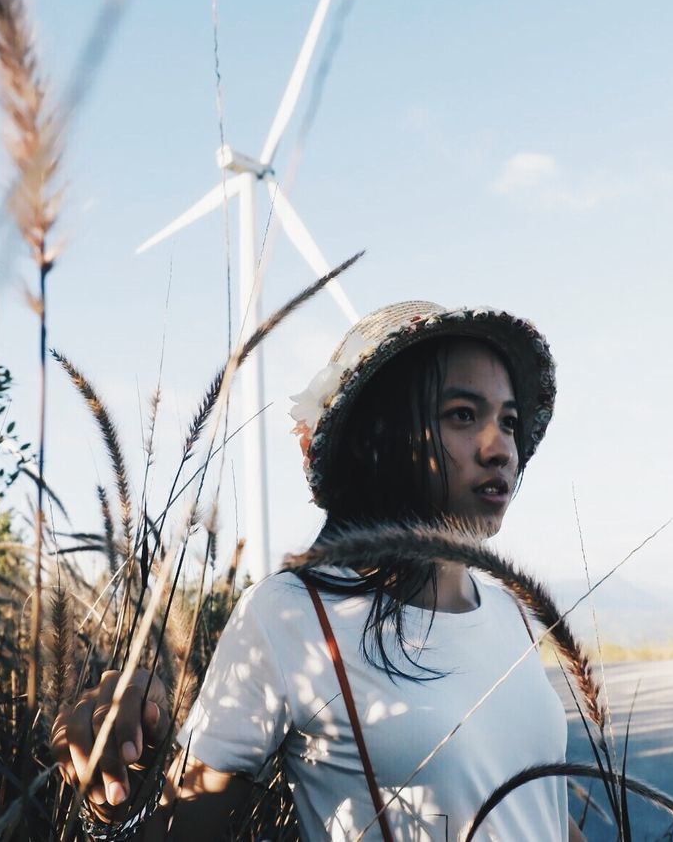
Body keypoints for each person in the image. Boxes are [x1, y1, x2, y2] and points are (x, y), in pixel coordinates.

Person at [53, 301, 585, 841]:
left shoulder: (512, 611)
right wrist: (119, 782)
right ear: (379, 437)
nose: (500, 449)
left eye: (509, 422)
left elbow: (534, 811)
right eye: (463, 415)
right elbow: (178, 829)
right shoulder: (291, 616)